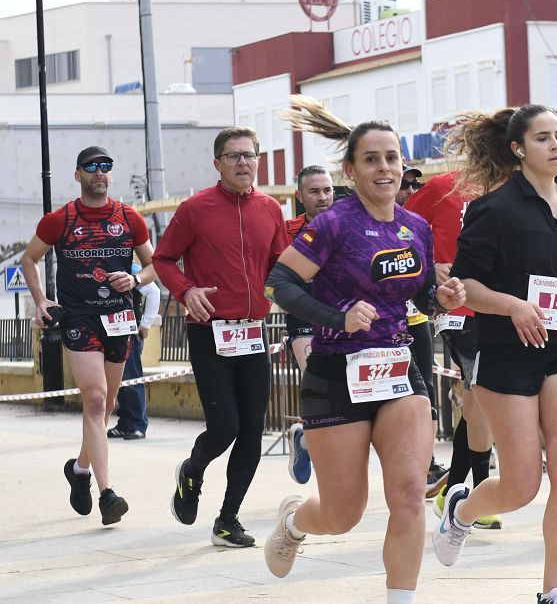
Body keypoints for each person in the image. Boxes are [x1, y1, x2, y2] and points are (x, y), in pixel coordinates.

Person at [263, 96, 465, 604]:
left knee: (409, 498)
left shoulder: (415, 227)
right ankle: (293, 520)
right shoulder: (334, 222)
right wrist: (340, 317)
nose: (385, 168)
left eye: (392, 157)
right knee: (343, 514)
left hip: (399, 370)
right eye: (372, 159)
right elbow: (279, 284)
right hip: (336, 372)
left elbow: (415, 294)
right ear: (351, 170)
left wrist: (440, 296)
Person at [431, 105, 557, 604]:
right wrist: (513, 306)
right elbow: (464, 284)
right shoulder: (494, 208)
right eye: (542, 138)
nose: (556, 146)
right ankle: (462, 510)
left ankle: (554, 591)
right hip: (506, 354)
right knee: (521, 486)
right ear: (518, 149)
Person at [152, 126, 288, 548]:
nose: (243, 162)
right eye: (233, 156)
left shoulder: (270, 209)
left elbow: (280, 266)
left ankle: (228, 520)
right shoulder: (195, 208)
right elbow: (163, 258)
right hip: (209, 332)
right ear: (218, 164)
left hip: (253, 334)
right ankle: (193, 469)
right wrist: (186, 290)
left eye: (250, 155)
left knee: (251, 431)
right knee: (225, 426)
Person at [20, 145, 156, 525]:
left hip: (119, 318)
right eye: (92, 167)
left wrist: (136, 278)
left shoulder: (129, 218)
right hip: (79, 317)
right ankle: (107, 494)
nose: (101, 172)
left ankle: (79, 470)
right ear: (78, 174)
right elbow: (29, 258)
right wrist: (40, 299)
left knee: (108, 405)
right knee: (95, 401)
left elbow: (153, 265)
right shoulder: (59, 219)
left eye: (107, 167)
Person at [404, 170, 502, 529]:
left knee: (479, 404)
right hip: (458, 309)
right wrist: (427, 267)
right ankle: (475, 496)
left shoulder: (520, 190)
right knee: (484, 398)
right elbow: (401, 227)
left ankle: (454, 488)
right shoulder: (445, 186)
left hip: (500, 307)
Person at [396, 162, 449, 497]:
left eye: (414, 186)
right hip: (373, 334)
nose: (410, 192)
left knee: (424, 393)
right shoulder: (349, 224)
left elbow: (427, 286)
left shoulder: (417, 226)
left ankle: (426, 465)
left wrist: (440, 290)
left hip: (415, 322)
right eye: (406, 186)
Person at [282, 165, 335, 484]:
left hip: (343, 319)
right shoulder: (286, 230)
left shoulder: (346, 224)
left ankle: (305, 437)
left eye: (327, 190)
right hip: (304, 320)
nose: (323, 197)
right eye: (315, 192)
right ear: (299, 196)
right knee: (320, 383)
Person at [107, 262, 161, 440]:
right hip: (112, 332)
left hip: (129, 332)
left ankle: (138, 424)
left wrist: (146, 324)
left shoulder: (132, 269)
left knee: (132, 378)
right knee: (119, 382)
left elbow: (154, 292)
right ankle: (125, 424)